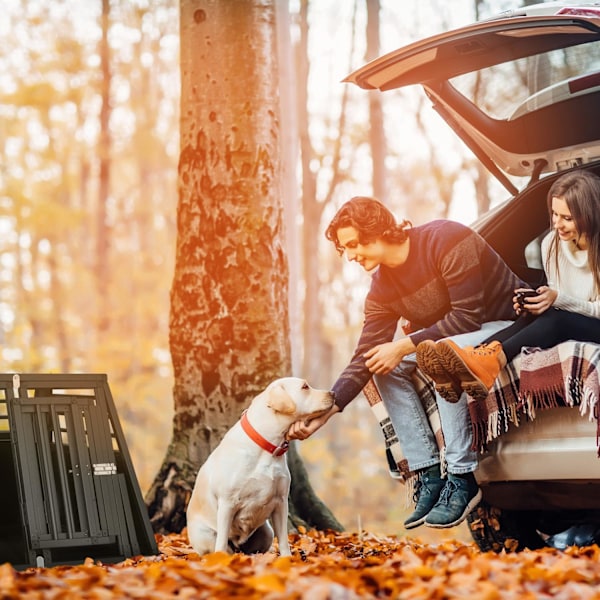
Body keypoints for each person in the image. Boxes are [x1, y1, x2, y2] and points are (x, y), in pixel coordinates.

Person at [287, 196, 527, 529]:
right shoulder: (381, 288)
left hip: (509, 324)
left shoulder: (446, 239)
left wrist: (402, 345)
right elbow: (364, 357)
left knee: (435, 351)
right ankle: (427, 472)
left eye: (354, 244)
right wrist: (326, 411)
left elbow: (468, 317)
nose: (351, 255)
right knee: (384, 365)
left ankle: (461, 476)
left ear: (377, 229)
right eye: (345, 249)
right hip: (451, 339)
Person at [417, 170, 600, 403]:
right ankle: (468, 364)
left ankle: (489, 362)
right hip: (571, 318)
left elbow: (585, 307)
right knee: (530, 318)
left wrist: (556, 299)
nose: (557, 224)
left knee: (556, 318)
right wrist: (537, 301)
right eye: (554, 214)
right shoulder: (551, 243)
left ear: (589, 215)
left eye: (567, 218)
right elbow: (558, 292)